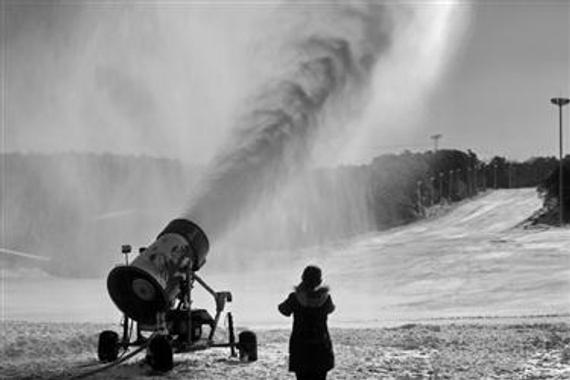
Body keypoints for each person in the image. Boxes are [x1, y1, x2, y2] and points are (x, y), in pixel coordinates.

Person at [278, 265, 335, 380]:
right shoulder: (325, 298)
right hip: (321, 345)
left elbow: (283, 310)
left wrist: (299, 290)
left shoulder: (295, 297)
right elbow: (331, 309)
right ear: (319, 280)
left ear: (303, 278)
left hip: (301, 346)